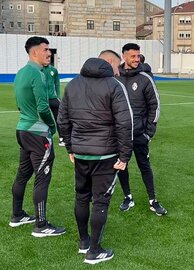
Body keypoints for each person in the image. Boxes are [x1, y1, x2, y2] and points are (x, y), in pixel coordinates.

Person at [57, 50, 133, 264]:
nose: (118, 71)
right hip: (105, 155)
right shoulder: (114, 85)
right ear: (109, 62)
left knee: (81, 196)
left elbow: (62, 120)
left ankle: (84, 242)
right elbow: (125, 123)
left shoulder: (72, 85)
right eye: (117, 65)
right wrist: (125, 155)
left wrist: (70, 147)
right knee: (100, 201)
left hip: (81, 153)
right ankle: (94, 250)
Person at [10, 36, 65, 237]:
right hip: (37, 133)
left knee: (23, 174)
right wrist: (52, 127)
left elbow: (19, 103)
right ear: (34, 52)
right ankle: (41, 225)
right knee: (42, 178)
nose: (49, 53)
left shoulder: (20, 73)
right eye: (45, 50)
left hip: (22, 130)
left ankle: (17, 215)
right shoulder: (39, 74)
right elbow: (43, 107)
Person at [117, 43, 167, 216]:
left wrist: (148, 132)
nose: (137, 59)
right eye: (133, 56)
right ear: (124, 56)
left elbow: (155, 105)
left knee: (144, 165)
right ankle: (127, 197)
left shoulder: (145, 78)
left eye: (138, 56)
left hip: (140, 134)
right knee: (121, 166)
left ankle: (153, 200)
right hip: (121, 135)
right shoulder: (115, 78)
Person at [43, 62, 65, 146]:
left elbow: (57, 83)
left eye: (49, 57)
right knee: (43, 119)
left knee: (60, 119)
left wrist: (58, 96)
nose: (47, 59)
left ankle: (62, 139)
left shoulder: (53, 70)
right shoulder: (38, 70)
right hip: (42, 99)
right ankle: (44, 138)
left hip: (53, 99)